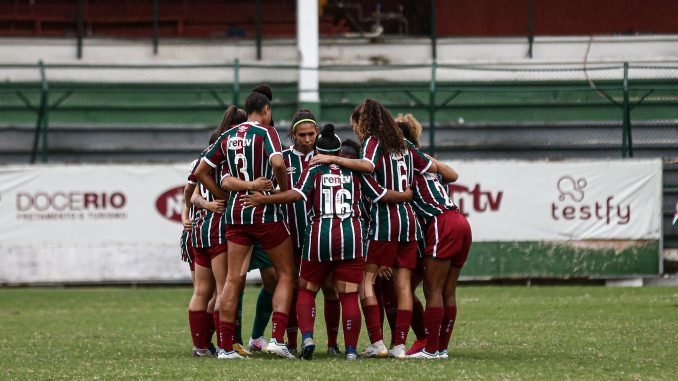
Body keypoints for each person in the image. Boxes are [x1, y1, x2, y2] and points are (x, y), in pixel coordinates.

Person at [243, 124, 413, 360]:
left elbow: (296, 195)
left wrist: (266, 200)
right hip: (351, 235)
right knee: (349, 294)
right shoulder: (354, 172)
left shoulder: (314, 169)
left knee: (306, 289)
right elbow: (380, 194)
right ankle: (351, 351)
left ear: (318, 152)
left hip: (318, 236)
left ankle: (308, 338)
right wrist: (405, 195)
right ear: (340, 152)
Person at [310, 99, 436, 358]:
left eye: (355, 124)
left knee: (366, 280)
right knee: (404, 286)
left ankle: (377, 342)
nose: (355, 130)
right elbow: (431, 167)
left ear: (362, 122)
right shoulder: (405, 145)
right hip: (409, 222)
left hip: (385, 221)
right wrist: (407, 193)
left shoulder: (372, 142)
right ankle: (399, 345)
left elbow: (367, 167)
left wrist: (335, 158)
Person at [194, 90, 296, 359]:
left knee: (232, 279)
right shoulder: (266, 132)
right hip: (264, 211)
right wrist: (281, 193)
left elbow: (201, 172)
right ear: (265, 111)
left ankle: (226, 348)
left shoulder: (228, 136)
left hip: (236, 215)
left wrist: (221, 196)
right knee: (286, 273)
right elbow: (278, 163)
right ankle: (276, 338)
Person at [396, 113, 472, 359]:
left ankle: (431, 348)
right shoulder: (427, 162)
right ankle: (440, 348)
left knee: (433, 289)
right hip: (460, 220)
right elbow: (451, 176)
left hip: (441, 222)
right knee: (448, 290)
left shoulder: (407, 163)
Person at [281, 109, 342, 355]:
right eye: (302, 135)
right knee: (295, 288)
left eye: (311, 134)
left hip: (320, 238)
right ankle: (293, 343)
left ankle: (332, 344)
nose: (307, 140)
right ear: (292, 135)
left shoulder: (328, 156)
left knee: (330, 288)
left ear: (317, 133)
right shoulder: (282, 160)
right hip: (291, 236)